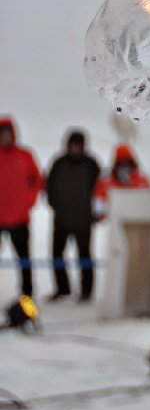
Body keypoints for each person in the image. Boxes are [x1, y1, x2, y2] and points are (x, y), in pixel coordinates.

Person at [45, 129, 102, 301]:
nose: (75, 148)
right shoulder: (59, 163)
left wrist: (94, 213)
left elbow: (100, 191)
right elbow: (49, 187)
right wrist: (56, 206)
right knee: (56, 255)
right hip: (61, 219)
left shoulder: (91, 165)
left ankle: (86, 291)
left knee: (84, 256)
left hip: (83, 221)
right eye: (73, 144)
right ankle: (62, 288)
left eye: (79, 144)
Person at [0, 117, 43, 298]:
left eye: (8, 133)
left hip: (20, 219)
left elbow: (36, 181)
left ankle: (27, 299)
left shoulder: (25, 156)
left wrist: (27, 202)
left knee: (24, 261)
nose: (6, 137)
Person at [94, 144, 150, 214]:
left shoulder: (142, 180)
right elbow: (98, 205)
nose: (124, 167)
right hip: (113, 221)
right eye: (121, 163)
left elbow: (149, 201)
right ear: (116, 164)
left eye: (127, 163)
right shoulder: (106, 181)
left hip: (137, 220)